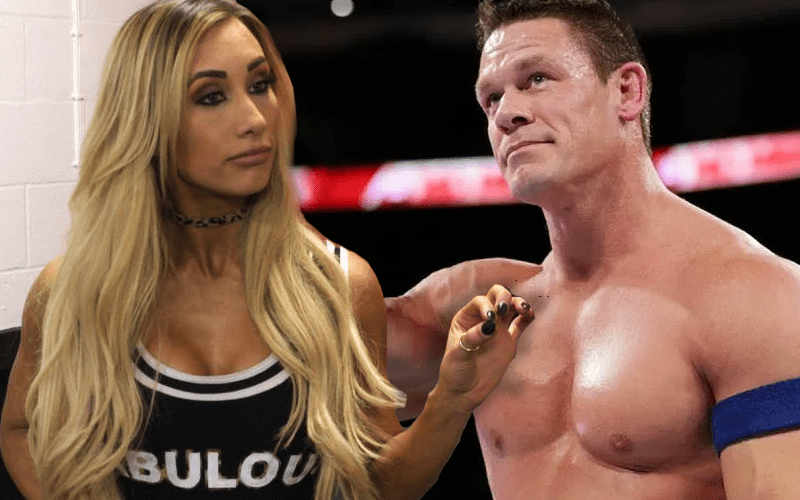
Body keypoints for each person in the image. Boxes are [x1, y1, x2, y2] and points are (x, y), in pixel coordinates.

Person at [0, 1, 535, 499]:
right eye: (212, 96)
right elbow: (21, 427)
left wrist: (450, 400)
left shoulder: (337, 285)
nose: (256, 119)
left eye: (260, 85)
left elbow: (379, 484)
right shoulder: (73, 290)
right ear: (146, 117)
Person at [386, 0, 800, 498]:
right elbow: (312, 360)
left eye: (537, 79)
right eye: (491, 98)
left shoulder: (755, 297)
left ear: (627, 91)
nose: (507, 114)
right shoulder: (480, 309)